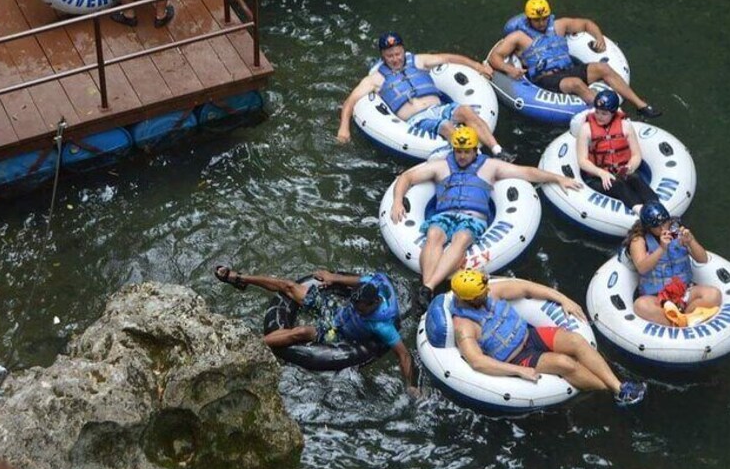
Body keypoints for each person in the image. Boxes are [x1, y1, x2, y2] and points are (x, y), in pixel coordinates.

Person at [390, 126, 582, 313]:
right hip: (444, 215)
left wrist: (557, 178)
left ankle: (428, 287)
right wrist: (397, 202)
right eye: (458, 151)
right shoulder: (441, 166)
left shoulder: (490, 166)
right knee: (433, 234)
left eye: (466, 151)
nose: (462, 156)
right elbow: (407, 177)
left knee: (462, 238)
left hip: (472, 218)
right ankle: (426, 289)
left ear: (475, 150)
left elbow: (526, 172)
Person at [449, 269, 647, 406]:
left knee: (576, 341)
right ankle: (609, 392)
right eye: (482, 293)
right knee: (565, 363)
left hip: (530, 336)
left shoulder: (492, 293)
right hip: (516, 357)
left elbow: (527, 288)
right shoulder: (464, 326)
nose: (487, 291)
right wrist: (517, 370)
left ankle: (620, 388)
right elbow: (478, 362)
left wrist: (564, 299)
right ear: (471, 299)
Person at [214, 266, 417, 396]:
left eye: (360, 307)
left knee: (300, 332)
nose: (356, 307)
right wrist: (333, 277)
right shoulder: (376, 284)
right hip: (335, 311)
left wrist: (410, 385)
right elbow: (358, 281)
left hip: (337, 331)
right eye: (355, 303)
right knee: (288, 286)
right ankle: (240, 278)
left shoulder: (382, 325)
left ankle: (248, 345)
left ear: (373, 304)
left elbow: (404, 355)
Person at [338, 31, 517, 162]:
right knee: (446, 126)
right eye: (389, 56)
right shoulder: (376, 78)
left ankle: (497, 150)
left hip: (440, 108)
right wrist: (344, 128)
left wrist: (477, 66)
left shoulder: (417, 61)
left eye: (398, 53)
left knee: (467, 111)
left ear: (403, 50)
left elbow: (447, 58)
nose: (395, 59)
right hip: (417, 119)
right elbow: (350, 102)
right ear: (383, 57)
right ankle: (476, 160)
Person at [488, 0, 662, 119]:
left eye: (544, 18)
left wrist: (599, 38)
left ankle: (641, 106)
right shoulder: (518, 37)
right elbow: (495, 57)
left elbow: (586, 24)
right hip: (546, 77)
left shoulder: (559, 25)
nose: (541, 22)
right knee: (576, 84)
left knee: (603, 68)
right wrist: (509, 69)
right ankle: (613, 114)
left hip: (568, 68)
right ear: (529, 19)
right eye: (537, 19)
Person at [625, 202, 722, 325]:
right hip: (657, 297)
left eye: (665, 223)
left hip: (684, 291)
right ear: (648, 227)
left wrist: (691, 241)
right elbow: (642, 268)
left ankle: (681, 317)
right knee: (641, 306)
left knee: (714, 295)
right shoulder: (639, 240)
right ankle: (679, 321)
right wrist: (661, 249)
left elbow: (703, 259)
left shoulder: (677, 232)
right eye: (657, 226)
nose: (663, 228)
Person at [576, 89, 660, 214]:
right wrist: (601, 173)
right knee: (616, 184)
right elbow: (582, 161)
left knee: (635, 177)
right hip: (598, 178)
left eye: (604, 114)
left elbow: (636, 155)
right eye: (597, 112)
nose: (599, 116)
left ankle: (656, 206)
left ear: (614, 113)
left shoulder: (625, 126)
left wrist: (630, 167)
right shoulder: (586, 129)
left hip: (621, 171)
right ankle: (640, 211)